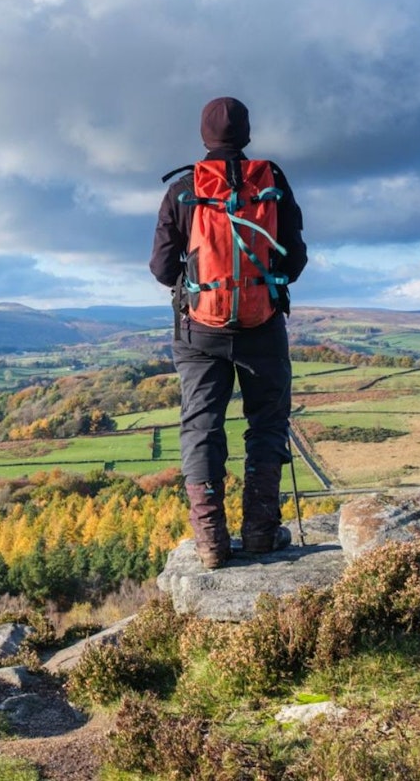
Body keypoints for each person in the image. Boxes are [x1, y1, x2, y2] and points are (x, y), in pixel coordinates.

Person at [149, 96, 308, 568]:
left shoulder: (182, 190)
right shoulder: (272, 182)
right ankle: (260, 532)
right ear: (247, 134)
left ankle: (211, 544)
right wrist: (263, 283)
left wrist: (196, 285)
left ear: (204, 137)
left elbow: (160, 267)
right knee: (267, 424)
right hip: (263, 326)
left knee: (201, 427)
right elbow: (294, 260)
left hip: (199, 331)